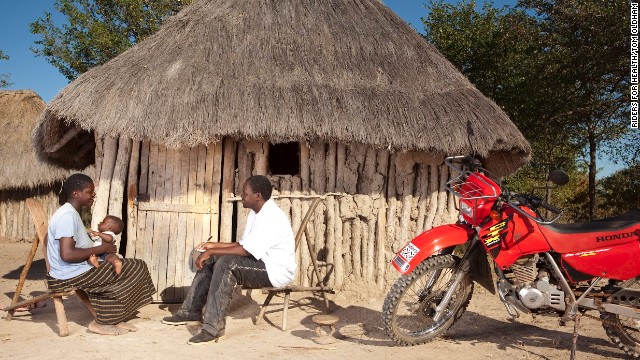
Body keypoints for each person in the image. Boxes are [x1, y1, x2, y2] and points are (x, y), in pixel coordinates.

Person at [162, 175, 296, 345]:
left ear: (258, 196)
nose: (242, 196)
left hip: (275, 271)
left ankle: (213, 329)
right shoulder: (256, 213)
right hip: (261, 262)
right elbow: (243, 244)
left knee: (227, 263)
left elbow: (246, 250)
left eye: (245, 193)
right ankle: (191, 312)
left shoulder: (271, 217)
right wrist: (212, 246)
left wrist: (213, 252)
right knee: (214, 258)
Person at [47, 173, 155, 335]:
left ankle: (112, 317)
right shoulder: (67, 216)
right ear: (76, 193)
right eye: (90, 192)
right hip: (68, 274)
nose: (93, 195)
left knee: (126, 268)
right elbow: (67, 255)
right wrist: (102, 250)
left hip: (77, 269)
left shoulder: (71, 213)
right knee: (138, 267)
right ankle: (101, 322)